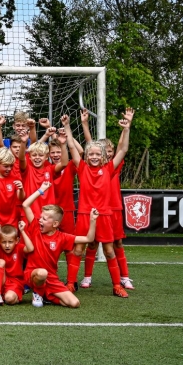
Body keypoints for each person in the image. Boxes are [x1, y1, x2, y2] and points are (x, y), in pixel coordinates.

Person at [63, 109, 134, 297]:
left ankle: (117, 286)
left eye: (97, 154)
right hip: (85, 215)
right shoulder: (82, 168)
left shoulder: (109, 169)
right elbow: (71, 146)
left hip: (104, 215)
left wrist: (126, 129)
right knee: (79, 249)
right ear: (86, 156)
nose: (94, 156)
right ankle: (71, 283)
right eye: (91, 154)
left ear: (103, 156)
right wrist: (67, 126)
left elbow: (123, 149)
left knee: (110, 251)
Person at [22, 182, 97, 308]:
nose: (40, 220)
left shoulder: (62, 237)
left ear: (55, 224)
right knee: (42, 273)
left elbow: (89, 238)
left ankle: (47, 296)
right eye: (40, 217)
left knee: (74, 303)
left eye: (44, 219)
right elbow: (25, 204)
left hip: (51, 278)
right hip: (32, 273)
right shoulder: (35, 227)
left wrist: (93, 220)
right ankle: (37, 293)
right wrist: (41, 190)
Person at [0, 221, 34, 306]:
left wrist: (22, 231)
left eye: (10, 242)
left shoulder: (19, 248)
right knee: (1, 262)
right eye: (4, 242)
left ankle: (6, 295)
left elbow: (30, 248)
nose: (7, 245)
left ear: (17, 241)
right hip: (2, 280)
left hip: (15, 282)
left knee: (9, 299)